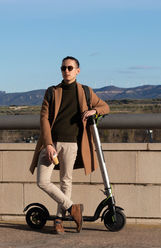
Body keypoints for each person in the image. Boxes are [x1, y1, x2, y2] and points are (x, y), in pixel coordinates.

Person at [29, 56, 110, 234]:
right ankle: (73, 208)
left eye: (70, 68)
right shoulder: (52, 91)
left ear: (77, 71)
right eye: (63, 68)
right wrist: (48, 144)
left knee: (66, 181)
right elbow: (43, 118)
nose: (66, 71)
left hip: (72, 144)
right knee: (42, 181)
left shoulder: (86, 91)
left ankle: (59, 219)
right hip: (51, 144)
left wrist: (94, 111)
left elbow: (105, 107)